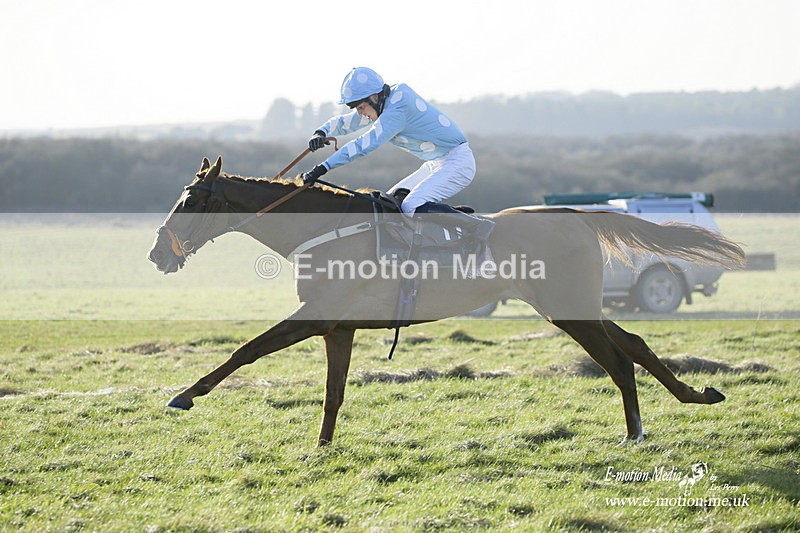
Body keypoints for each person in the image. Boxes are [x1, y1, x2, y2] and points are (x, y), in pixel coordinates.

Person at [301, 67, 493, 241]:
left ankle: (476, 225)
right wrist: (321, 132)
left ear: (374, 97)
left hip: (457, 162)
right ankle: (449, 219)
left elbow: (363, 145)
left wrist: (322, 168)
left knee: (410, 207)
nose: (360, 113)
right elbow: (348, 122)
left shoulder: (395, 111)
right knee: (392, 203)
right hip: (437, 163)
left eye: (361, 107)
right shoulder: (386, 101)